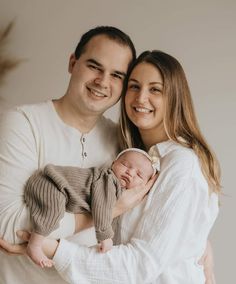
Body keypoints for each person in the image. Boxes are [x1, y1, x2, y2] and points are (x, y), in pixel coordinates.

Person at [0, 27, 217, 283]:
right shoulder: (24, 122)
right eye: (94, 66)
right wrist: (110, 210)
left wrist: (197, 239)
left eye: (117, 75)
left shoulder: (124, 148)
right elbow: (9, 228)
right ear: (73, 63)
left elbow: (158, 238)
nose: (103, 82)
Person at [24, 148, 156, 267]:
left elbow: (112, 216)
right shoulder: (108, 179)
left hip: (54, 188)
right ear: (113, 163)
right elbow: (101, 206)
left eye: (139, 174)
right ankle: (34, 245)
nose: (130, 172)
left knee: (53, 211)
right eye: (125, 164)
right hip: (51, 182)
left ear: (143, 186)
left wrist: (114, 242)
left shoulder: (119, 194)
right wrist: (105, 236)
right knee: (53, 212)